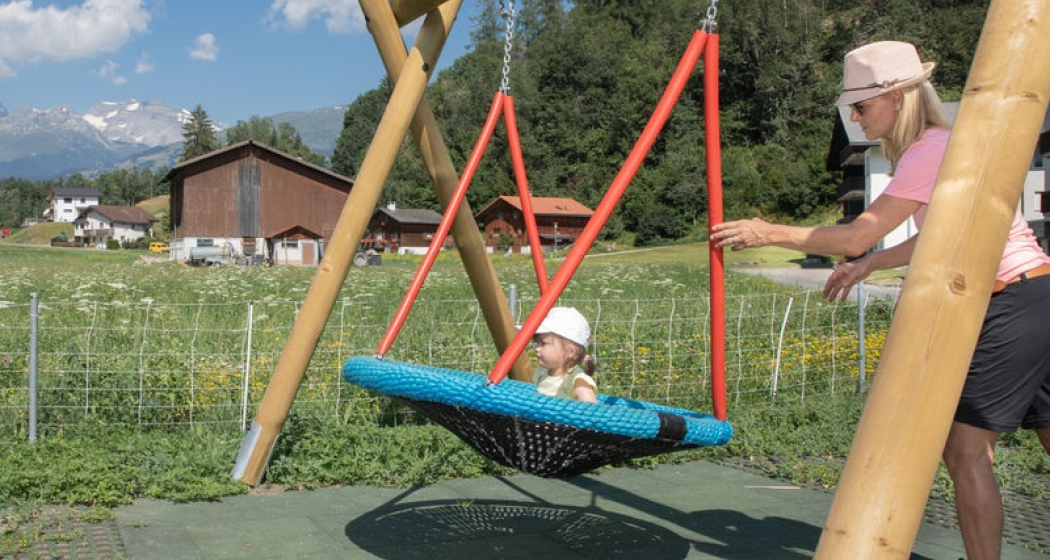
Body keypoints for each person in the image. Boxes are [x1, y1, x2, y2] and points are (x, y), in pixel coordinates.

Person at [710, 40, 1050, 560]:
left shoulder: (927, 150)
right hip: (1037, 292)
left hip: (1009, 303)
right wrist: (871, 265)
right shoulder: (945, 145)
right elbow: (939, 237)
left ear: (897, 98)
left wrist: (766, 231)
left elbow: (854, 234)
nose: (855, 116)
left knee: (964, 452)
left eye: (861, 106)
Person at [530, 306, 598, 403]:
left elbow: (592, 411)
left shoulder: (578, 381)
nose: (537, 348)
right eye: (537, 343)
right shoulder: (541, 373)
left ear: (570, 351)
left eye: (543, 343)